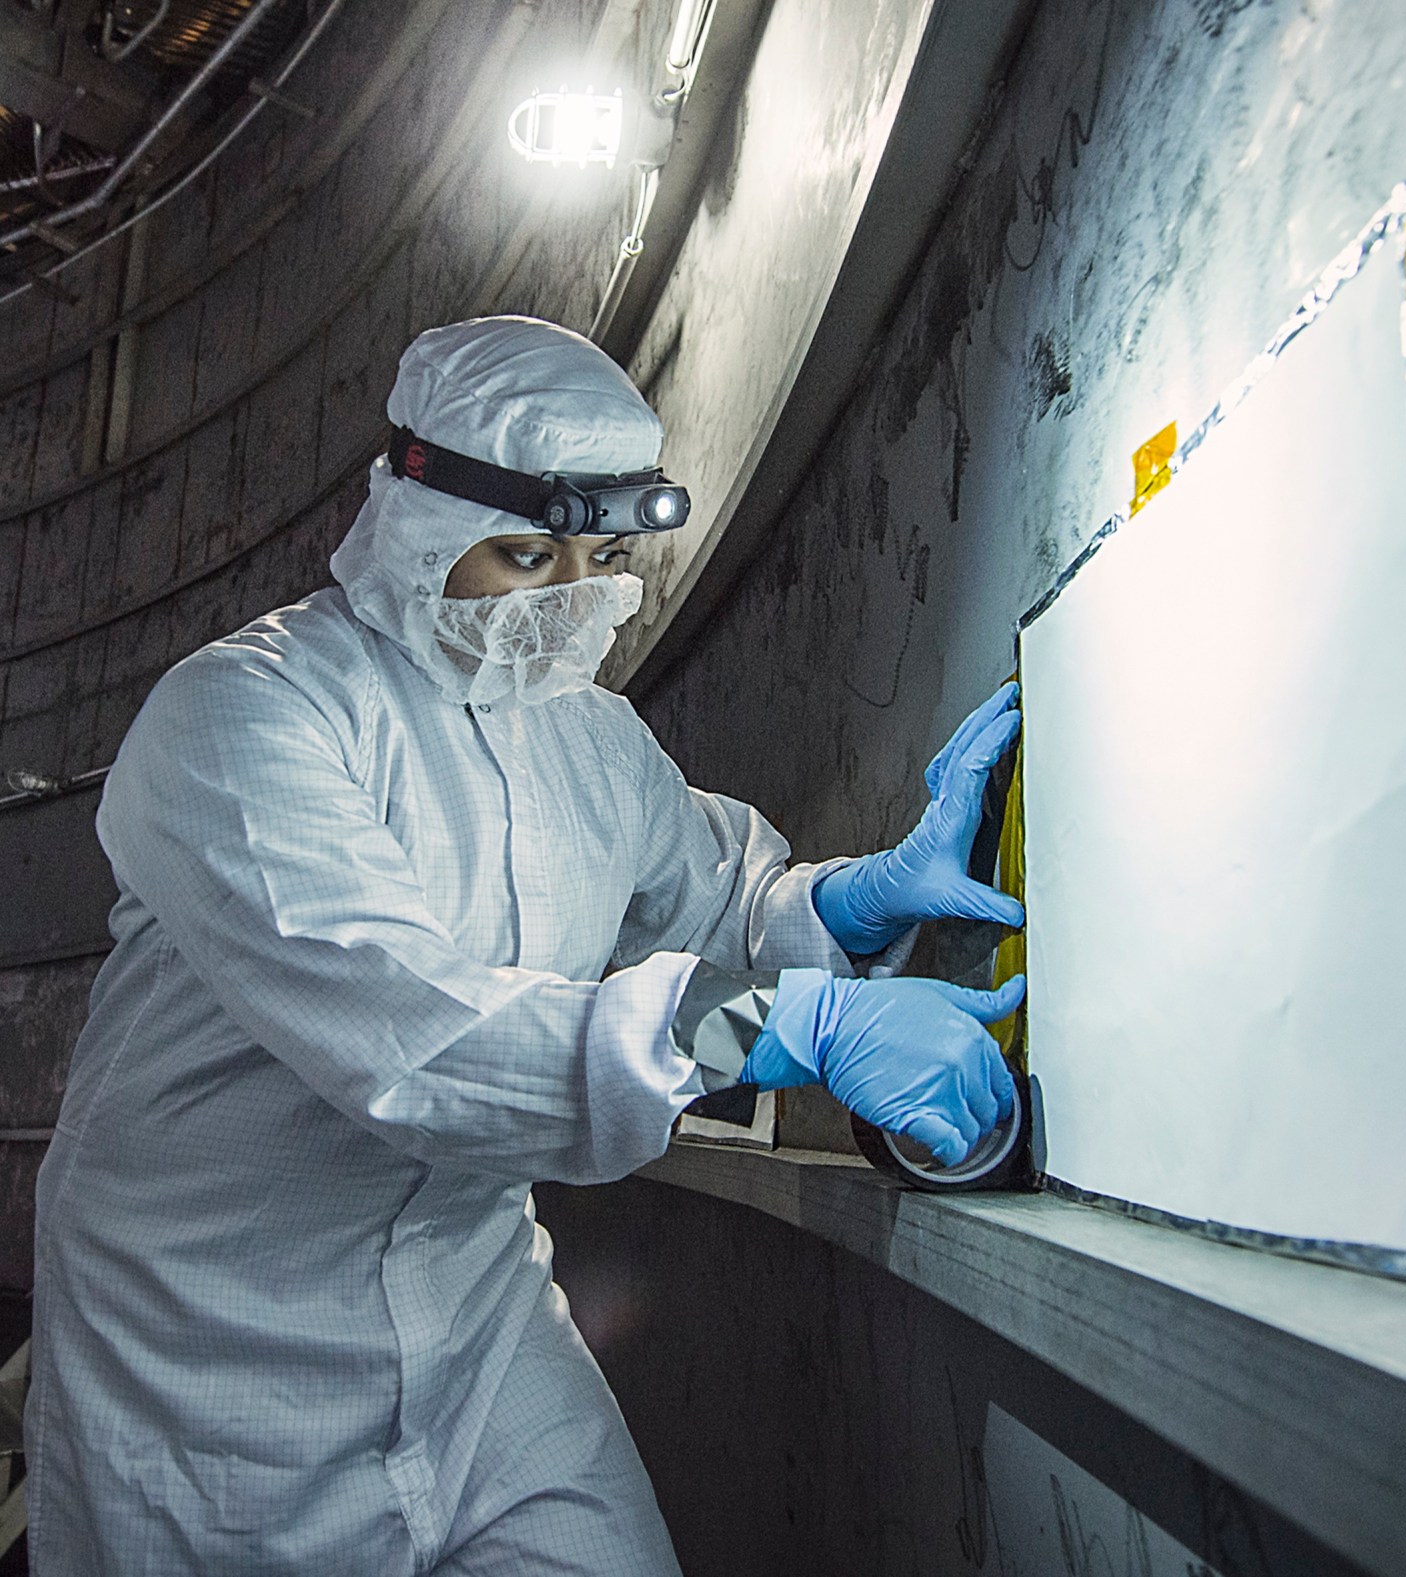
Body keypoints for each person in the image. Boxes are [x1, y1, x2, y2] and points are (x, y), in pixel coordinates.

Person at [27, 316, 1027, 1574]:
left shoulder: (590, 740)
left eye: (604, 558)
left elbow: (727, 898)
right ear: (411, 518)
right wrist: (775, 1024)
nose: (568, 602)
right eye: (521, 556)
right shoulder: (243, 715)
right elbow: (417, 1043)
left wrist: (861, 898)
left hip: (475, 1305)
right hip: (212, 1339)